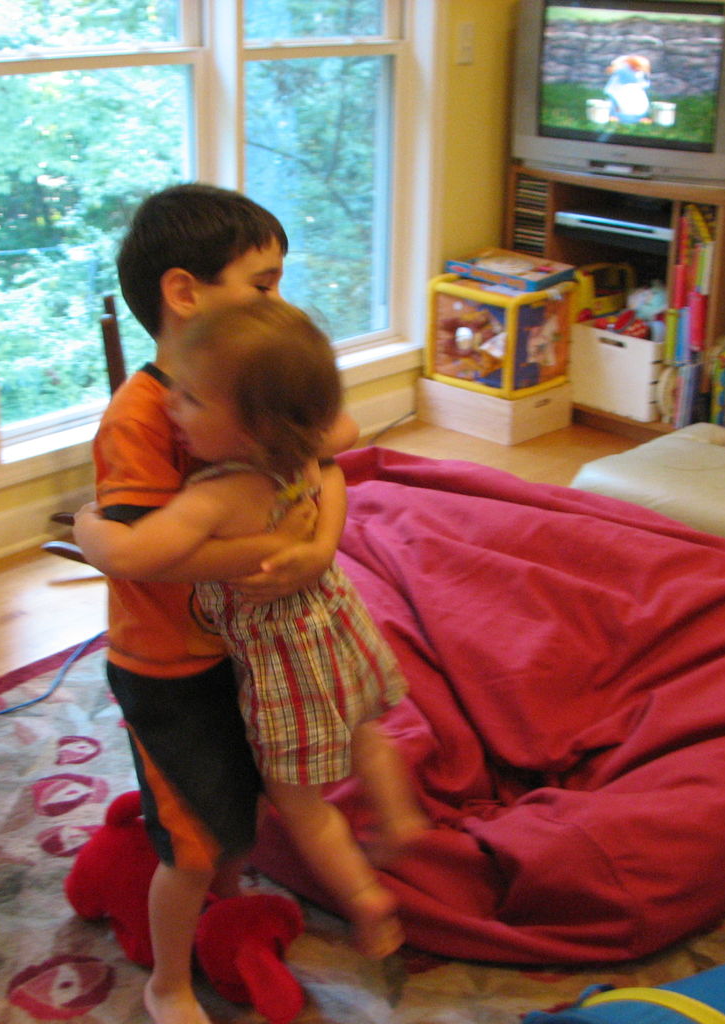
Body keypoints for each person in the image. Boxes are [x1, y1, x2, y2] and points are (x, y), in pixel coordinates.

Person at [75, 299, 428, 966]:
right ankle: (399, 814)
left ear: (252, 425)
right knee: (363, 731)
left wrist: (89, 523)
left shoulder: (218, 493)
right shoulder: (299, 455)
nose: (172, 408)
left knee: (300, 807)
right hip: (335, 625)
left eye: (192, 400)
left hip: (284, 659)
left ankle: (364, 898)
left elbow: (134, 556)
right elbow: (337, 457)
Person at [86, 183, 356, 1024]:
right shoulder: (142, 416)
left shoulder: (252, 383)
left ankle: (222, 895)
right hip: (168, 668)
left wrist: (314, 550)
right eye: (264, 284)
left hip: (250, 651)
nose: (281, 303)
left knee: (237, 811)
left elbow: (333, 457)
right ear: (185, 293)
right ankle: (166, 982)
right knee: (195, 847)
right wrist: (276, 542)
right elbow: (144, 560)